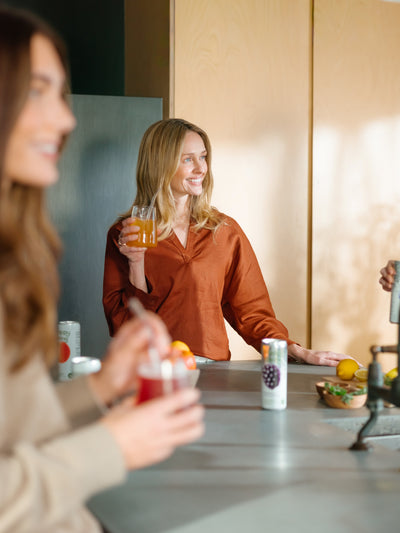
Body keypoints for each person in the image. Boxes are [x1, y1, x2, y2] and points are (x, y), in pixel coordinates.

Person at [0, 7, 204, 533]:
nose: (66, 119)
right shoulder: (123, 229)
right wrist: (111, 445)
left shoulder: (13, 252)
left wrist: (99, 389)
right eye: (37, 91)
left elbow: (12, 432)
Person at [103, 118, 351, 366]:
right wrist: (136, 263)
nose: (201, 168)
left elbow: (253, 314)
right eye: (188, 159)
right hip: (151, 371)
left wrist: (298, 351)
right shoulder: (125, 235)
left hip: (213, 372)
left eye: (203, 157)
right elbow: (122, 327)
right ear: (160, 164)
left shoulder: (223, 231)